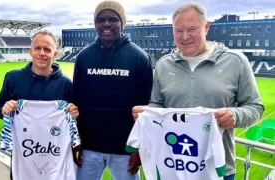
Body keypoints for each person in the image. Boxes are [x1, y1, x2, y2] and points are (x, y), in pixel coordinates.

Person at [132, 2, 264, 180]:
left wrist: (235, 115)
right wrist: (147, 113)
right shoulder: (164, 64)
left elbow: (255, 107)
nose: (184, 36)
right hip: (173, 165)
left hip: (218, 168)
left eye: (192, 29)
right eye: (178, 31)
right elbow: (157, 104)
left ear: (206, 27)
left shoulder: (236, 61)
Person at [72, 1, 153, 179]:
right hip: (89, 147)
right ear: (95, 24)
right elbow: (76, 102)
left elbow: (147, 108)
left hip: (125, 150)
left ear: (122, 23)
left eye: (112, 19)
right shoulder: (84, 57)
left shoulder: (139, 57)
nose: (106, 24)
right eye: (101, 20)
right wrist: (76, 142)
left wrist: (139, 148)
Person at [0, 30, 79, 180]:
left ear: (55, 54)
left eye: (47, 49)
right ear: (30, 51)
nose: (42, 53)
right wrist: (5, 109)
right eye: (38, 48)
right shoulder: (13, 78)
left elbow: (74, 121)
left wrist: (74, 114)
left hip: (54, 160)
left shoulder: (66, 84)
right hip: (23, 157)